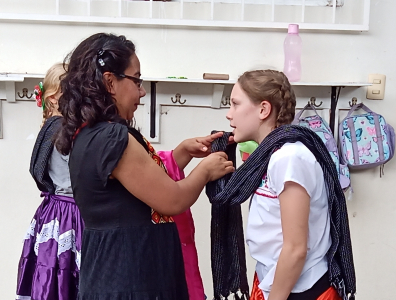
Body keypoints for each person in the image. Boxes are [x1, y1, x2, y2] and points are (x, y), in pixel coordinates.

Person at [55, 33, 234, 300]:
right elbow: (171, 200)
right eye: (136, 80)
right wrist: (206, 170)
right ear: (110, 82)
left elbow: (137, 186)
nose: (141, 91)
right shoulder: (111, 139)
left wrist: (181, 153)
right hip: (130, 277)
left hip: (114, 273)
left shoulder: (90, 135)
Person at [206, 69, 356, 300]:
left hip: (300, 289)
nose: (229, 114)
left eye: (235, 104)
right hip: (272, 281)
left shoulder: (290, 158)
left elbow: (296, 250)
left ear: (263, 110)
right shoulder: (269, 155)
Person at [16, 63, 84, 300]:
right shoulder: (65, 130)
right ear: (54, 98)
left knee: (52, 276)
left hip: (52, 214)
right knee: (69, 276)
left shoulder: (50, 127)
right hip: (71, 215)